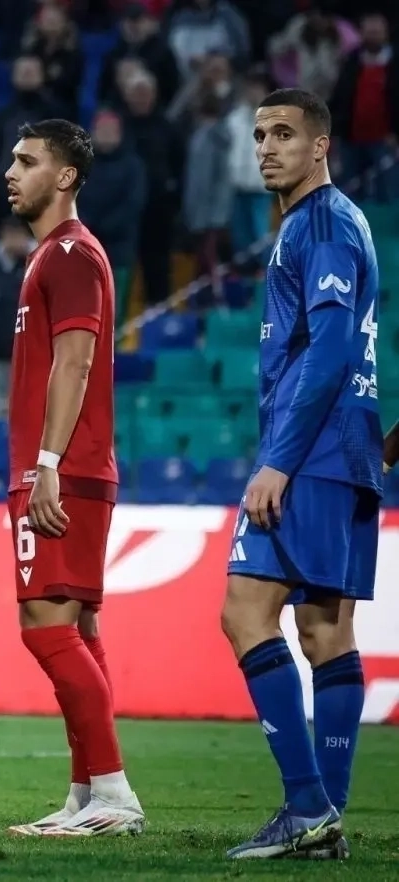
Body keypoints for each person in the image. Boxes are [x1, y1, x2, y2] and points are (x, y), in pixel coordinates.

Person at [220, 88, 383, 862]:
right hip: (346, 452)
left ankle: (307, 805)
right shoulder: (342, 223)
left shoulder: (319, 223)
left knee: (244, 612)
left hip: (309, 452)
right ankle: (325, 821)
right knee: (324, 630)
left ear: (321, 145)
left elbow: (329, 349)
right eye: (259, 135)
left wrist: (279, 460)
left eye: (283, 133)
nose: (266, 148)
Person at [0, 119, 145, 837]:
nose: (10, 172)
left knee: (46, 628)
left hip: (65, 469)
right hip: (65, 467)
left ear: (64, 177)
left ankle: (114, 792)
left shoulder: (71, 254)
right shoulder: (53, 256)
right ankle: (88, 795)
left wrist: (48, 465)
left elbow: (77, 362)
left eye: (27, 161)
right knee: (78, 630)